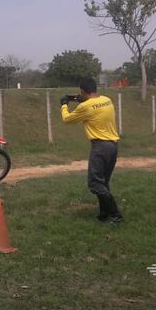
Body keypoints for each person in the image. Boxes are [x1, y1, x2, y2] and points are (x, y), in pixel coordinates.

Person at [60, 78, 123, 223]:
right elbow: (94, 106)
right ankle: (104, 214)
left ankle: (116, 215)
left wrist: (64, 105)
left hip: (100, 147)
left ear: (83, 91)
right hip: (113, 146)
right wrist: (81, 100)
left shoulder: (86, 107)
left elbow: (67, 119)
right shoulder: (107, 100)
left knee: (95, 183)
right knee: (103, 182)